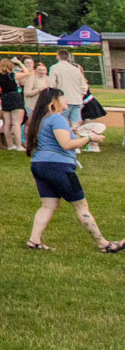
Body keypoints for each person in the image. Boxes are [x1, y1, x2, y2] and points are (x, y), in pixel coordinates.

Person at [24, 86, 123, 252]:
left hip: (39, 164)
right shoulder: (57, 119)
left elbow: (60, 139)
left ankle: (34, 240)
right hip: (58, 167)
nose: (66, 101)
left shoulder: (41, 119)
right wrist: (90, 138)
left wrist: (76, 134)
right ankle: (103, 243)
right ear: (54, 102)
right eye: (63, 98)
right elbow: (66, 144)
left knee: (48, 205)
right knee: (81, 206)